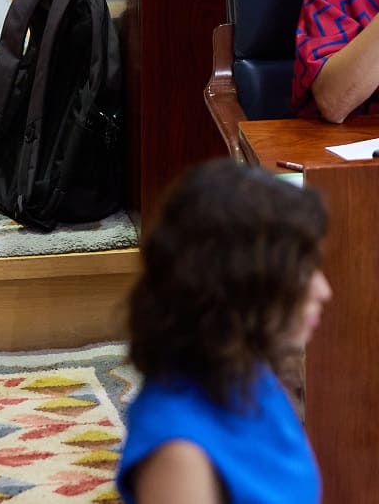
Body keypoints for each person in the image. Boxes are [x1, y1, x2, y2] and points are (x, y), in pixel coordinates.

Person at [117, 160, 332, 504]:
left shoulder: (254, 374)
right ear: (241, 284)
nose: (324, 291)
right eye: (304, 271)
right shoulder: (179, 453)